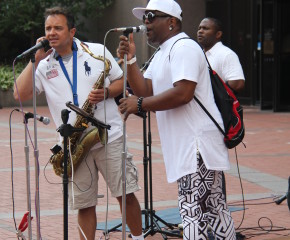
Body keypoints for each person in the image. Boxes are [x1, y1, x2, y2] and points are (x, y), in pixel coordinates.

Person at [13, 7, 144, 240]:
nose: (51, 33)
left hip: (109, 135)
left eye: (58, 28)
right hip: (73, 143)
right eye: (48, 28)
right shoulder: (43, 65)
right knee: (84, 204)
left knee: (125, 193)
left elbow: (121, 81)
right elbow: (19, 94)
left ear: (72, 31)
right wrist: (35, 61)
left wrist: (105, 92)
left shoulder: (96, 51)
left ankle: (138, 238)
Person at [118, 0, 236, 239]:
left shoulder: (183, 47)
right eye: (145, 17)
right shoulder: (163, 53)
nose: (146, 22)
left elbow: (183, 93)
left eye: (152, 16)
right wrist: (130, 60)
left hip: (197, 146)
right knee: (214, 210)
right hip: (189, 147)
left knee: (193, 211)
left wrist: (139, 105)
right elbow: (144, 88)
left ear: (171, 22)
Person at [197, 17, 245, 93]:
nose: (200, 31)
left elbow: (237, 84)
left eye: (205, 28)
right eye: (199, 28)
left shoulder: (227, 54)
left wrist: (215, 95)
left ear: (218, 34)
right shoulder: (199, 54)